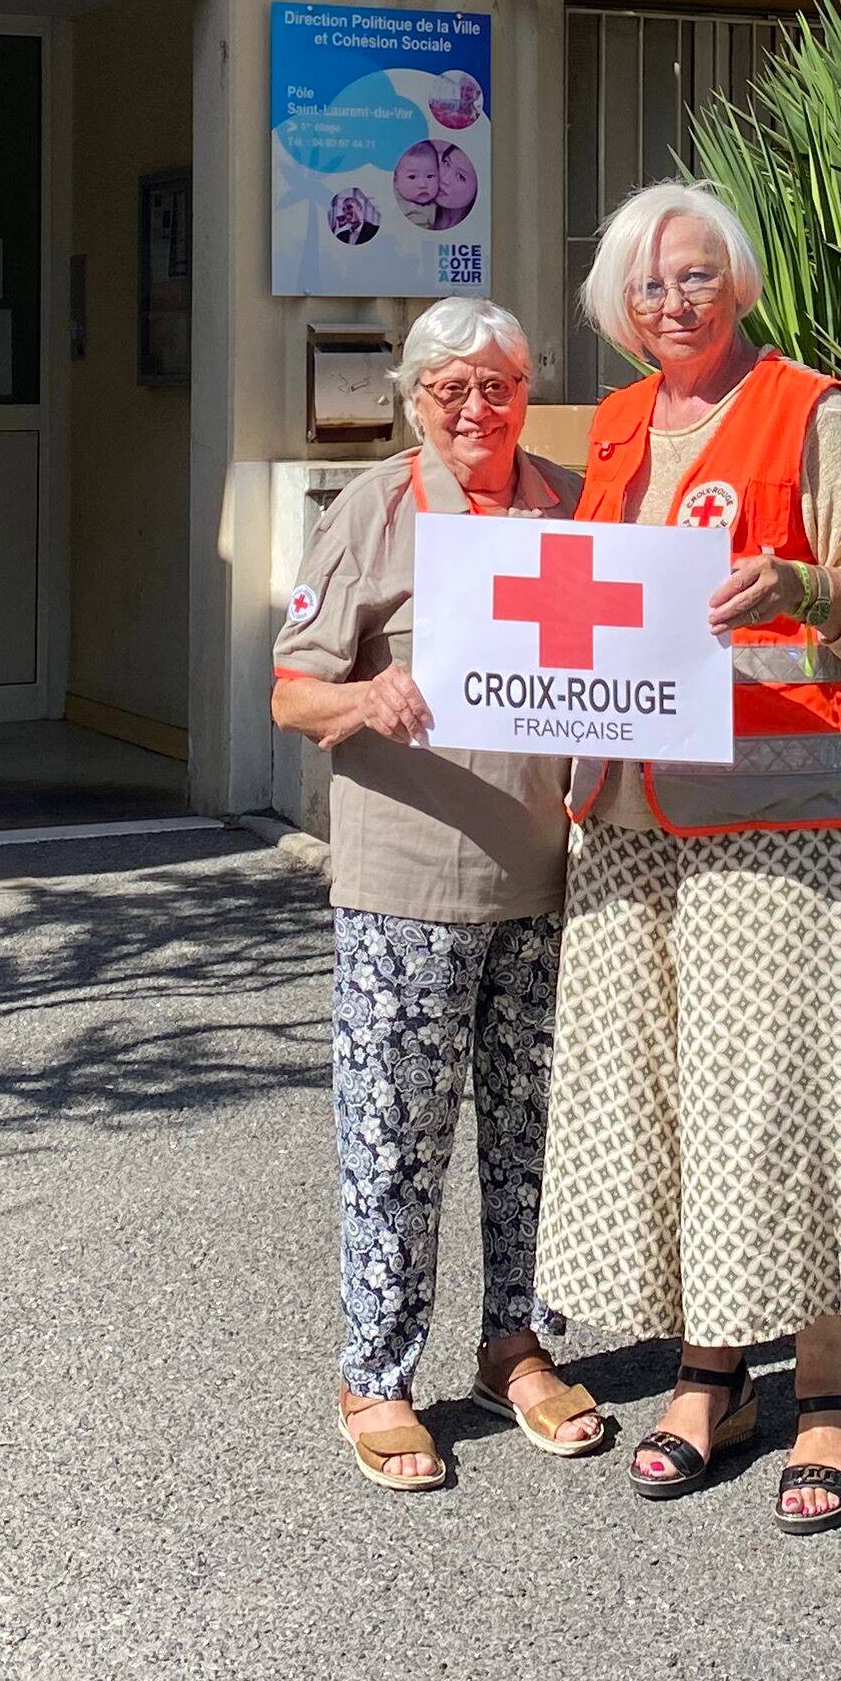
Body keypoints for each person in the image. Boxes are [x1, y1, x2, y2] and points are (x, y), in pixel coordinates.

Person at [532, 181, 841, 1534]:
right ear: (618, 309)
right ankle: (716, 1371)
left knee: (780, 1097)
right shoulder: (616, 426)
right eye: (648, 288)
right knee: (666, 1098)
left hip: (775, 810)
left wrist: (806, 587)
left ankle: (832, 1391)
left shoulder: (811, 412)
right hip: (632, 817)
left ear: (742, 285)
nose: (673, 303)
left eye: (696, 278)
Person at [270, 296, 617, 1492]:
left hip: (546, 879)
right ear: (413, 401)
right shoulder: (372, 510)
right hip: (406, 882)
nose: (476, 408)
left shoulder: (575, 508)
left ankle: (515, 1349)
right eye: (448, 388)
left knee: (535, 1136)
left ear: (528, 391)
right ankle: (376, 1376)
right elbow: (290, 693)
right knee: (396, 1138)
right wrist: (366, 699)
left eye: (499, 384)